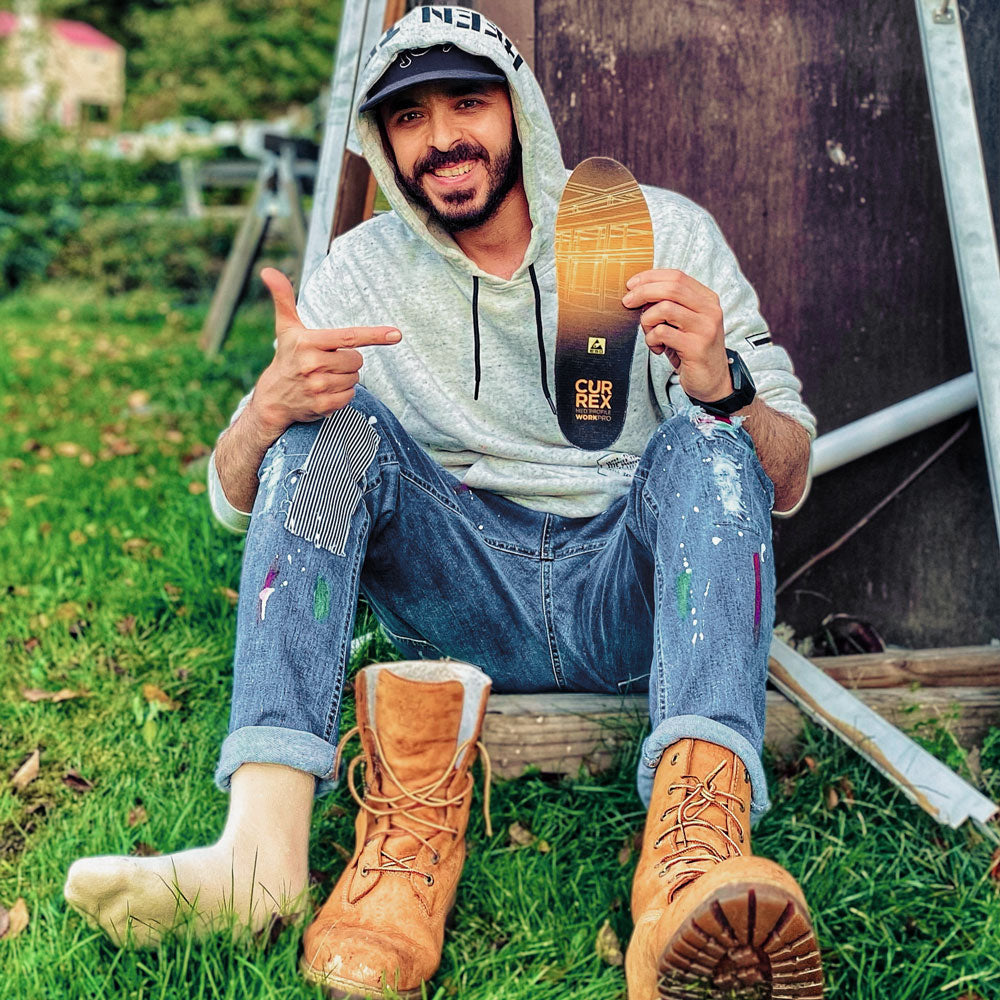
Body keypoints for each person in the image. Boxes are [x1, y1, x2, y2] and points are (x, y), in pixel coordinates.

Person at [65, 6, 824, 998]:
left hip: (631, 593)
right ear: (384, 142)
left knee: (713, 441)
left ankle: (691, 857)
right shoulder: (361, 269)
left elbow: (789, 472)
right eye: (410, 119)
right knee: (323, 430)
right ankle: (259, 850)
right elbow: (231, 501)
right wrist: (265, 408)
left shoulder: (665, 232)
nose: (441, 140)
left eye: (466, 104)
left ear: (520, 113)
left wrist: (724, 384)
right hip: (459, 594)